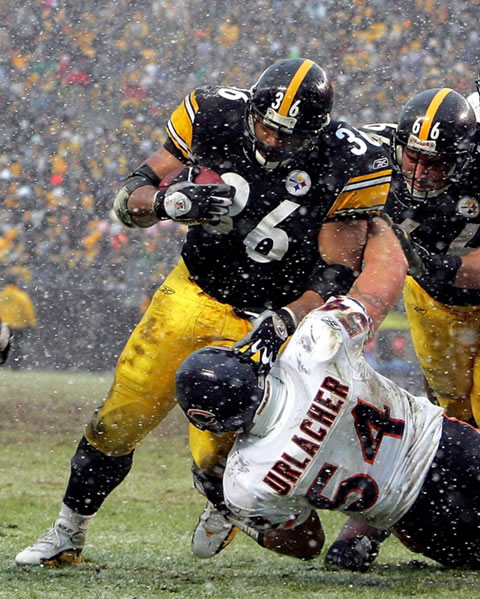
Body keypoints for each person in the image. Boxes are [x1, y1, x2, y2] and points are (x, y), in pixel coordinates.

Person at [15, 58, 406, 567]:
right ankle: (67, 532)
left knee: (218, 458)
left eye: (285, 135)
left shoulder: (346, 159)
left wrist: (287, 320)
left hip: (269, 316)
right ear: (251, 109)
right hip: (194, 293)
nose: (269, 139)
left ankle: (222, 501)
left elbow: (334, 272)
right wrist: (169, 202)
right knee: (121, 417)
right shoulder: (215, 112)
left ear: (316, 132)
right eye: (263, 124)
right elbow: (126, 202)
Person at [175, 295, 480, 569]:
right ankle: (362, 533)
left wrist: (237, 513)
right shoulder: (313, 346)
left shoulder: (247, 481)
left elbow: (307, 545)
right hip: (455, 450)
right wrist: (287, 317)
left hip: (422, 521)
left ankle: (364, 532)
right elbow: (386, 270)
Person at [326, 86, 480, 572]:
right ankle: (386, 524)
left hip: (461, 287)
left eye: (436, 164)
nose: (420, 172)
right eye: (414, 157)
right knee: (448, 416)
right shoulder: (373, 156)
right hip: (432, 304)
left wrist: (442, 267)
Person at [0, 273, 37, 369]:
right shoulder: (21, 296)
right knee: (17, 347)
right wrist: (31, 323)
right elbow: (28, 311)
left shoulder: (1, 295)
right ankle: (15, 366)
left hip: (2, 325)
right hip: (17, 326)